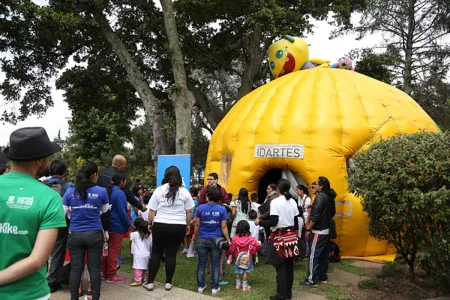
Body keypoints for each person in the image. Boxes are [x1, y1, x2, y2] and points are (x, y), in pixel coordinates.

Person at [0, 127, 66, 300]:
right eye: (49, 155)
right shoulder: (50, 198)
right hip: (30, 294)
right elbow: (37, 260)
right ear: (40, 159)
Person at [63, 162, 110, 300]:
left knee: (76, 268)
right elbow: (105, 210)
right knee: (94, 268)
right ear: (94, 175)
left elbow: (63, 213)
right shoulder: (101, 191)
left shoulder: (70, 191)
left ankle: (74, 297)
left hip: (75, 234)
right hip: (95, 234)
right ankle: (95, 297)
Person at [143, 166, 194, 292]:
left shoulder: (159, 190)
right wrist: (187, 225)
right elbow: (189, 212)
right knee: (171, 254)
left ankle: (149, 283)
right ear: (179, 177)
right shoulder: (184, 192)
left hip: (160, 225)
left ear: (165, 176)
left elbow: (152, 210)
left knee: (156, 253)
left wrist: (149, 223)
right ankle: (168, 282)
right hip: (178, 226)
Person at [256, 179, 300, 300]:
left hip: (280, 236)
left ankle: (281, 296)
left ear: (278, 190)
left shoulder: (275, 202)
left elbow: (274, 221)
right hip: (291, 236)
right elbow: (296, 222)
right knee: (289, 266)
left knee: (280, 266)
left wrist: (260, 222)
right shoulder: (293, 202)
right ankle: (288, 293)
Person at [193, 186, 230, 295]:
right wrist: (228, 239)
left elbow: (197, 224)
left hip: (202, 239)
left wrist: (194, 236)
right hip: (216, 240)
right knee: (215, 263)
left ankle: (200, 286)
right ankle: (215, 287)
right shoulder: (222, 209)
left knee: (201, 263)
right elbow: (224, 227)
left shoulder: (200, 208)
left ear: (207, 196)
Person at [300, 177, 336, 288]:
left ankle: (312, 280)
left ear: (321, 186)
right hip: (326, 231)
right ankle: (322, 276)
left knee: (313, 256)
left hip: (318, 232)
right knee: (323, 255)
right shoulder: (329, 197)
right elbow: (332, 213)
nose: (312, 186)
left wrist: (308, 228)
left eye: (315, 184)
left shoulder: (320, 198)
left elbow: (315, 217)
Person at [45, 159, 74, 293]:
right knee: (57, 251)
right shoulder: (68, 186)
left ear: (50, 171)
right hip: (60, 223)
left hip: (40, 222)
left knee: (42, 251)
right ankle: (53, 280)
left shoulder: (41, 184)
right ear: (64, 172)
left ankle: (41, 278)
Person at [103, 173, 131, 284]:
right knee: (113, 251)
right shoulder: (119, 193)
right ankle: (111, 275)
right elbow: (122, 211)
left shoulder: (107, 191)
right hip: (117, 226)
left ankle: (104, 273)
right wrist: (129, 223)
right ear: (122, 181)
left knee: (106, 251)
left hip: (107, 225)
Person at [227, 220, 261, 292]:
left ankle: (238, 284)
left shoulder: (235, 238)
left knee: (237, 271)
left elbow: (232, 248)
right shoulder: (251, 238)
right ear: (248, 228)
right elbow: (257, 245)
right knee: (245, 272)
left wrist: (229, 253)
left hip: (237, 258)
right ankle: (244, 286)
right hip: (248, 258)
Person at [130, 218, 152, 286]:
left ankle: (138, 280)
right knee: (144, 267)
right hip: (147, 254)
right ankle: (144, 278)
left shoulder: (135, 234)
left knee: (137, 268)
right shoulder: (149, 235)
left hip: (138, 254)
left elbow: (130, 236)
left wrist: (132, 228)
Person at [181, 187, 199, 255]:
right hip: (193, 220)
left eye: (189, 192)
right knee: (190, 235)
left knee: (187, 235)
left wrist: (190, 221)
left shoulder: (193, 201)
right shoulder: (196, 200)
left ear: (192, 193)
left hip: (191, 220)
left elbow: (191, 211)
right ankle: (190, 249)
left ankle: (190, 250)